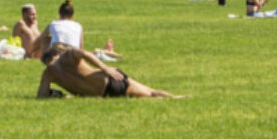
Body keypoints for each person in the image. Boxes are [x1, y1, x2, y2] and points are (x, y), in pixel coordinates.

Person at [37, 47, 174, 99]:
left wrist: (59, 95)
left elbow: (41, 95)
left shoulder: (48, 73)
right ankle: (179, 98)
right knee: (150, 92)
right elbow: (85, 53)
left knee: (148, 96)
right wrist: (105, 68)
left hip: (105, 92)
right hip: (110, 80)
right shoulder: (67, 55)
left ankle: (179, 99)